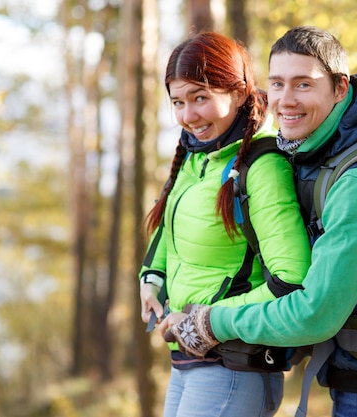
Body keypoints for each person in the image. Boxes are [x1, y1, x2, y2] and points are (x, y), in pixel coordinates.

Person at [160, 26, 357, 417]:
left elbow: (314, 313)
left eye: (303, 85)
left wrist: (213, 322)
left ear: (340, 88)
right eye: (277, 83)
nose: (285, 100)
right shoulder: (318, 152)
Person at [139, 31, 311, 417]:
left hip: (233, 366)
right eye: (178, 102)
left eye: (201, 97)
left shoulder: (262, 166)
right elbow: (169, 227)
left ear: (237, 91)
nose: (188, 116)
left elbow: (291, 280)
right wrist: (152, 276)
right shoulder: (197, 157)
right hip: (189, 359)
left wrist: (204, 320)